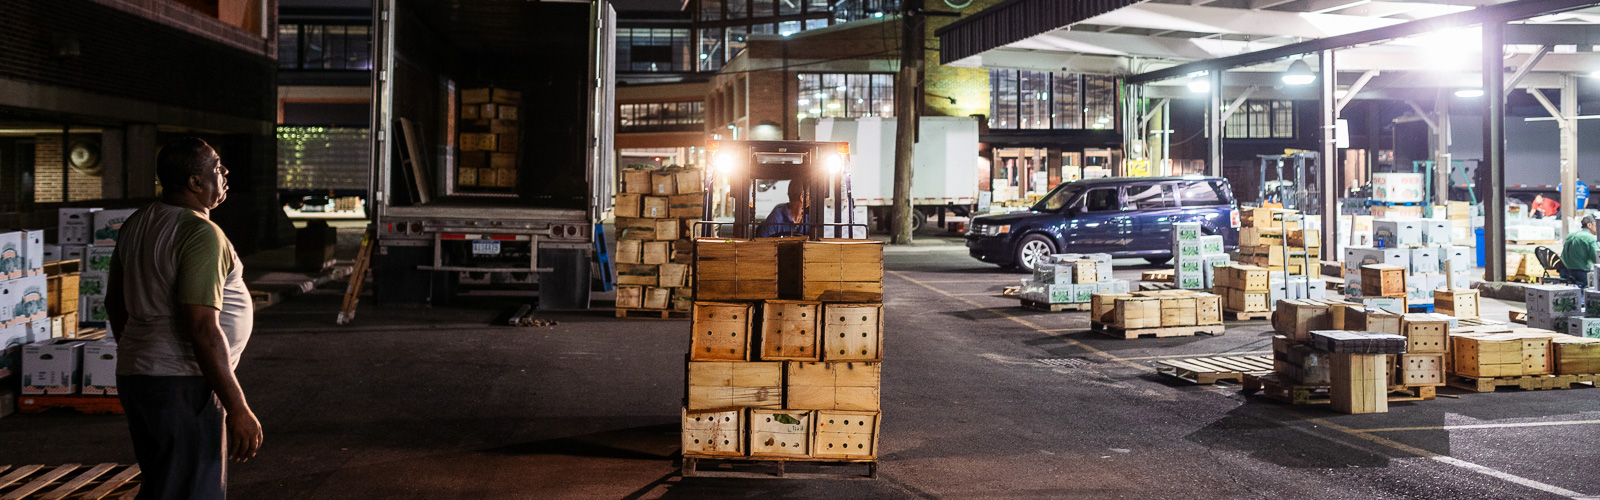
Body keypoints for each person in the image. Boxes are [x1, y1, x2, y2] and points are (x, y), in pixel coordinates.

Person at [108, 138, 262, 499]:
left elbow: (115, 302)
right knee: (192, 490)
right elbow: (202, 327)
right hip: (184, 384)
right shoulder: (199, 232)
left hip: (141, 376)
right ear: (194, 183)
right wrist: (238, 407)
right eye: (216, 166)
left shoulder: (138, 222)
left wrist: (139, 351)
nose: (224, 172)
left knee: (165, 485)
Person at [1561, 215, 1600, 288]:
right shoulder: (1590, 238)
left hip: (1565, 272)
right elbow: (1596, 259)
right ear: (1589, 225)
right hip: (1582, 273)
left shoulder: (1571, 235)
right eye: (1596, 225)